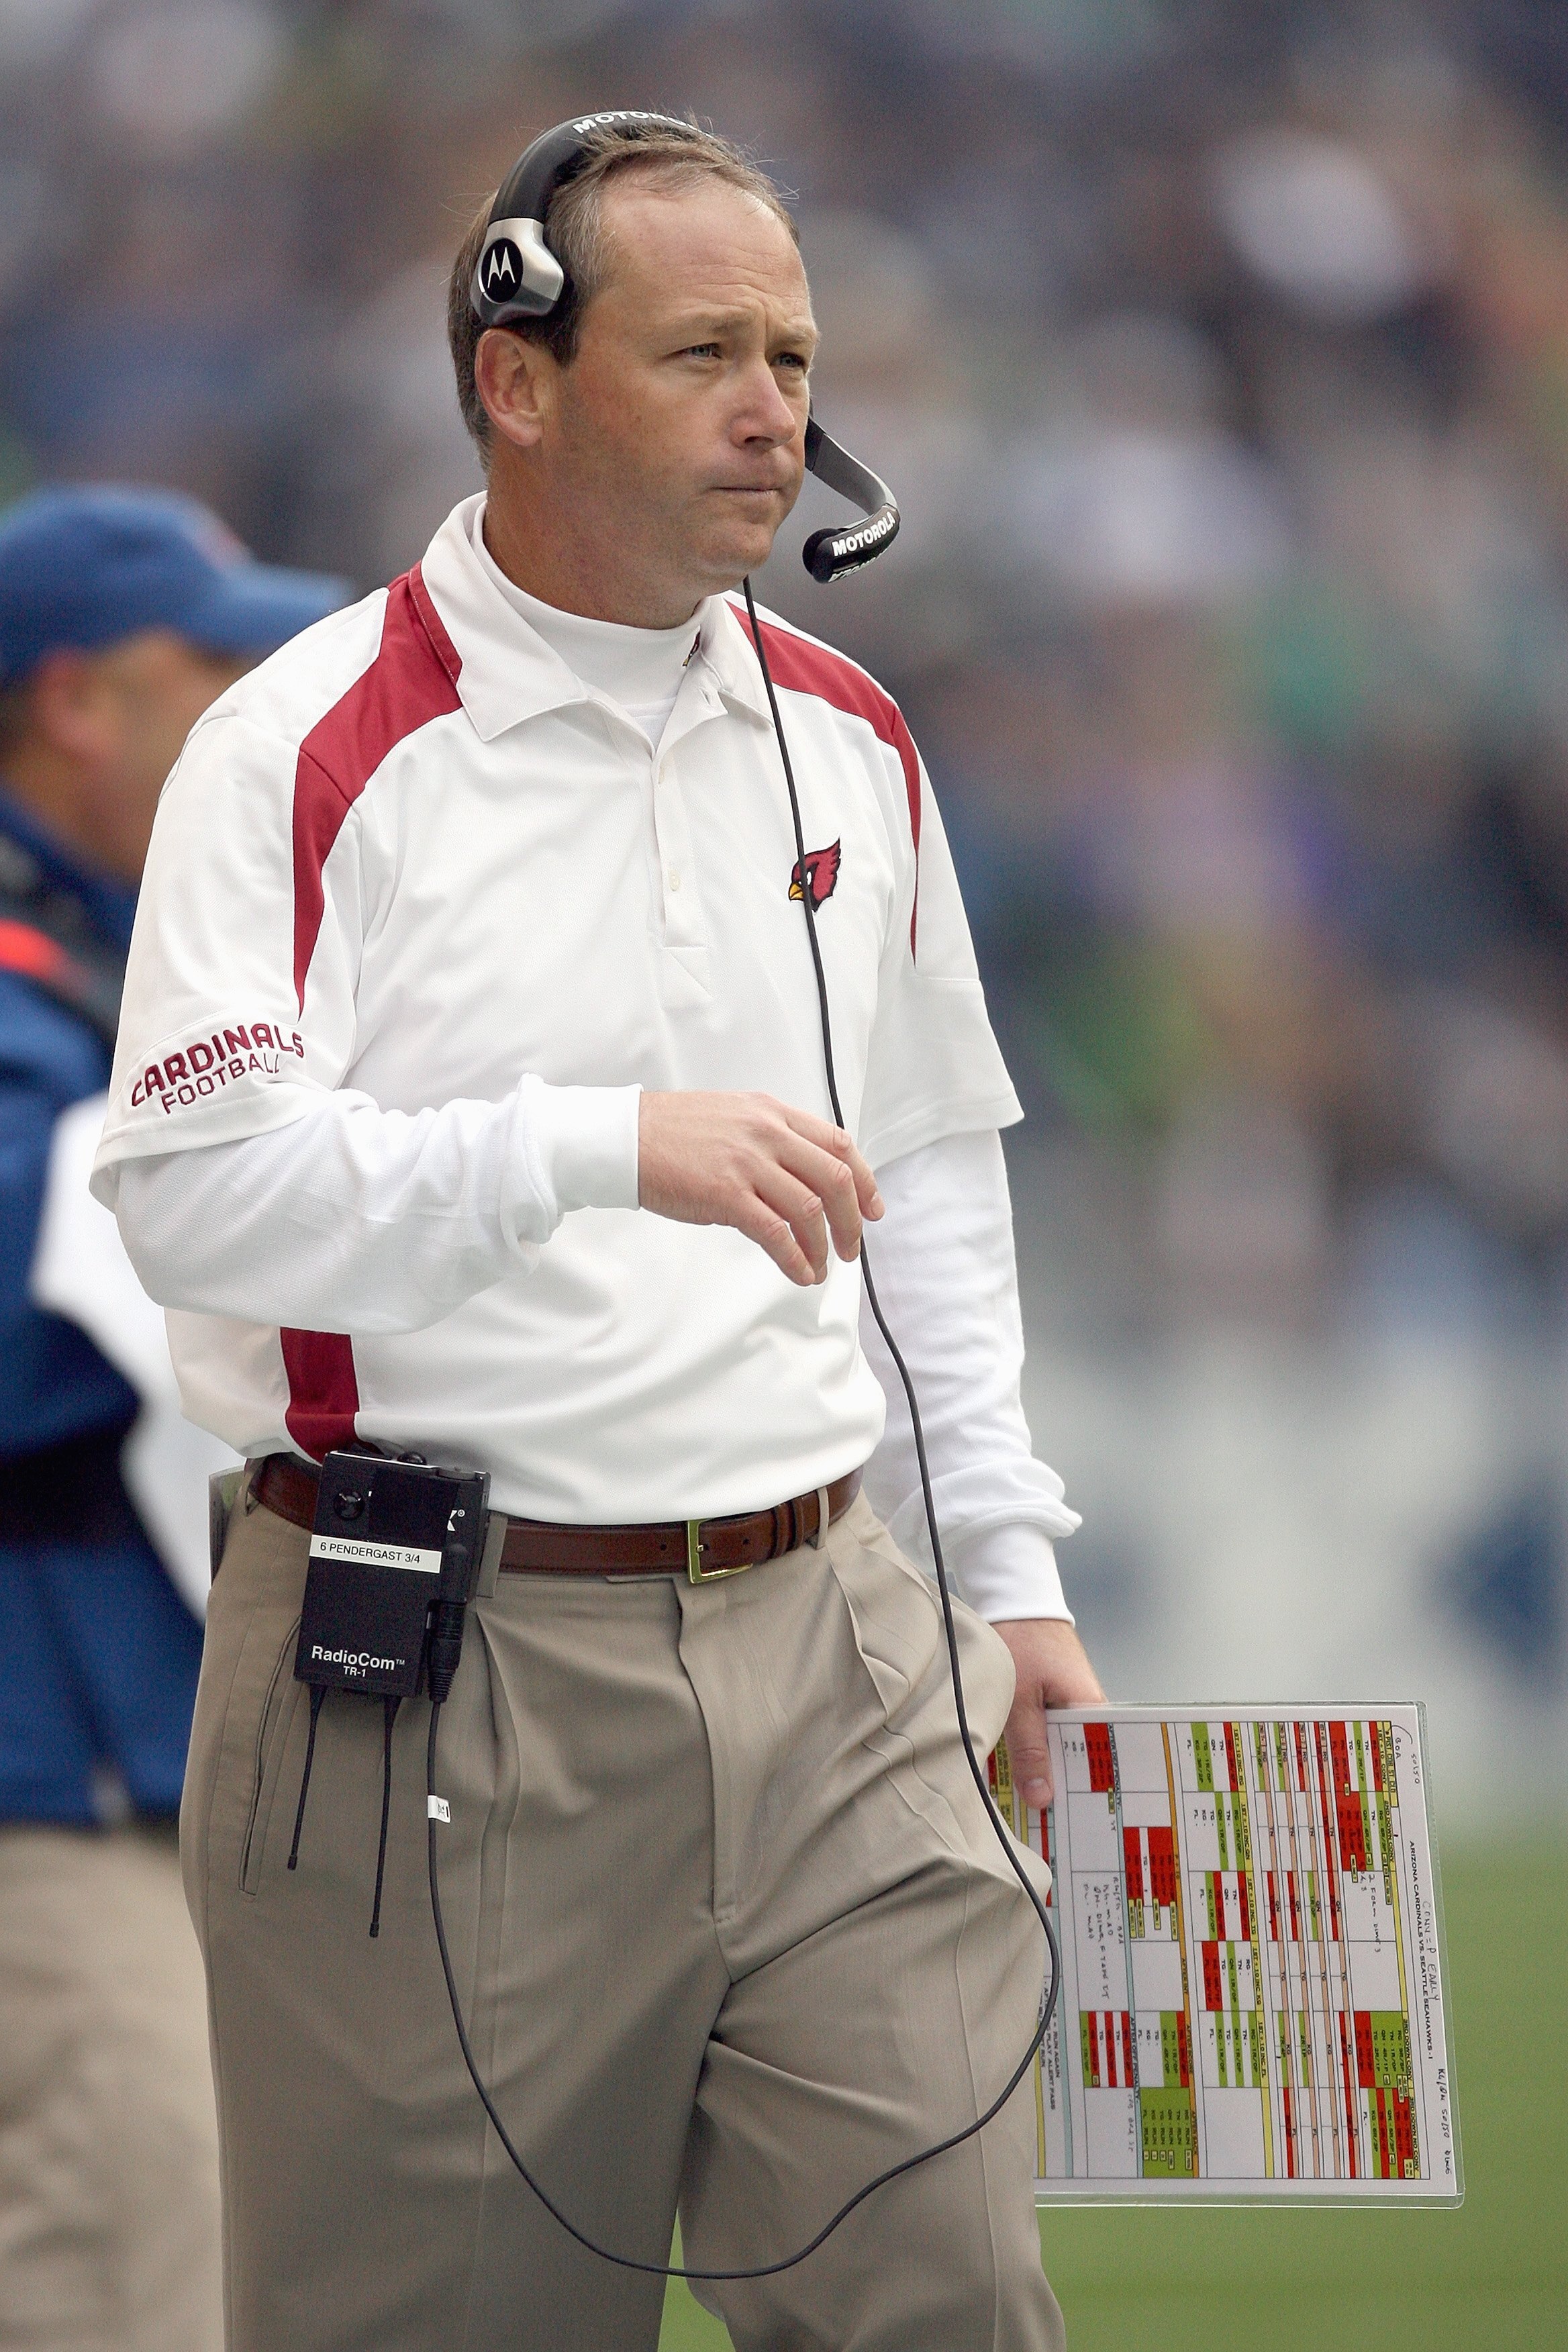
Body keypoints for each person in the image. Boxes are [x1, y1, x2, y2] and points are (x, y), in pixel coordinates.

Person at [96, 119, 1105, 2352]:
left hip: (842, 1639)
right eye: (708, 353)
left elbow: (927, 1170)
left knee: (956, 2305)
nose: (780, 413)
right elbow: (192, 1198)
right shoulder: (303, 747)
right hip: (443, 1663)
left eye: (797, 356)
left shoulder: (849, 730)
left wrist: (1006, 1573)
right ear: (517, 380)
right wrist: (587, 1145)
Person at [0, 485, 346, 2352]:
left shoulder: (130, 974)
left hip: (115, 1751)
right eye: (208, 672)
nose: (254, 715)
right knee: (126, 2281)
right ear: (75, 704)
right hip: (37, 1775)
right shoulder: (44, 990)